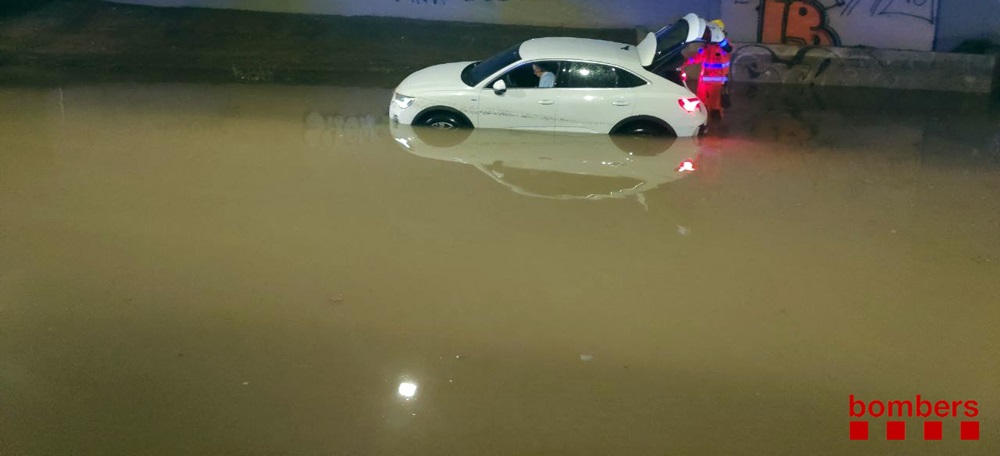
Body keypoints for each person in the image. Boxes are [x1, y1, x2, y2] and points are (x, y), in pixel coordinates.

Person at [685, 19, 731, 118]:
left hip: (716, 83)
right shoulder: (709, 46)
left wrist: (720, 40)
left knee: (715, 107)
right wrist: (684, 63)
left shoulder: (724, 45)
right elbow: (698, 57)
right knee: (701, 103)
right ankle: (704, 124)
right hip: (704, 82)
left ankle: (715, 129)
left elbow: (728, 49)